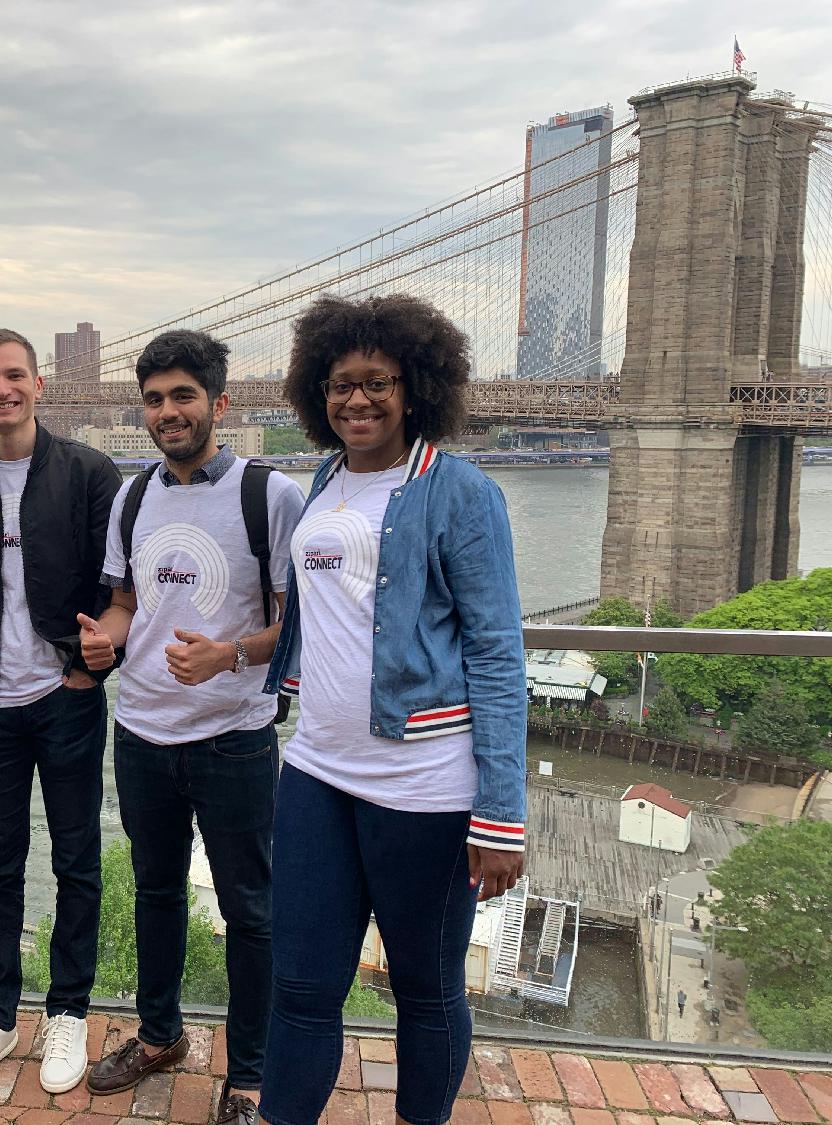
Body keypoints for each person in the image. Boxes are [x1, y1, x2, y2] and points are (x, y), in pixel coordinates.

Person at [258, 294, 527, 1125]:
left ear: (417, 389)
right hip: (315, 769)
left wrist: (501, 813)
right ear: (317, 392)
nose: (357, 401)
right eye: (340, 384)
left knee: (424, 988)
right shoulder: (328, 477)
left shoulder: (458, 490)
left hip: (424, 782)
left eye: (378, 383)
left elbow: (496, 651)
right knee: (299, 984)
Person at [79, 329, 303, 1125]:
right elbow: (126, 604)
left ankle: (248, 1075)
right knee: (155, 891)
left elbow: (298, 625)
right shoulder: (132, 497)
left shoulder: (270, 496)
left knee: (251, 908)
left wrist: (231, 653)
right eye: (154, 398)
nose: (167, 412)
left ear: (220, 402)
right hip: (139, 730)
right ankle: (159, 1034)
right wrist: (105, 637)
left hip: (235, 738)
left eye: (182, 395)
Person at [0, 328, 122, 1099]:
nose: (1, 388)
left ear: (39, 385)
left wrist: (88, 663)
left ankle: (69, 1007)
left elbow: (124, 584)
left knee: (78, 858)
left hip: (67, 700)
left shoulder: (88, 472)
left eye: (15, 375)